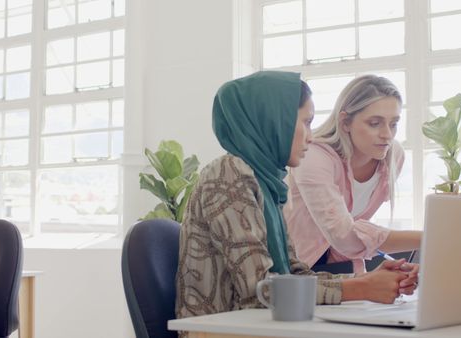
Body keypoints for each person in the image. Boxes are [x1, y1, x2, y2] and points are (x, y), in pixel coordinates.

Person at [175, 71, 418, 331]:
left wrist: (371, 280)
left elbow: (294, 276)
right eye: (306, 123)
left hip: (261, 327)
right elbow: (259, 290)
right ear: (274, 122)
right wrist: (360, 287)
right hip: (220, 333)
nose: (311, 136)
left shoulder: (267, 181)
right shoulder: (228, 175)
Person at [284, 75, 422, 274]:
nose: (387, 135)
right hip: (297, 269)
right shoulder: (313, 157)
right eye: (375, 123)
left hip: (345, 265)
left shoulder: (393, 156)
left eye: (393, 123)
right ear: (345, 122)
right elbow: (345, 236)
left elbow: (356, 232)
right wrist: (430, 237)